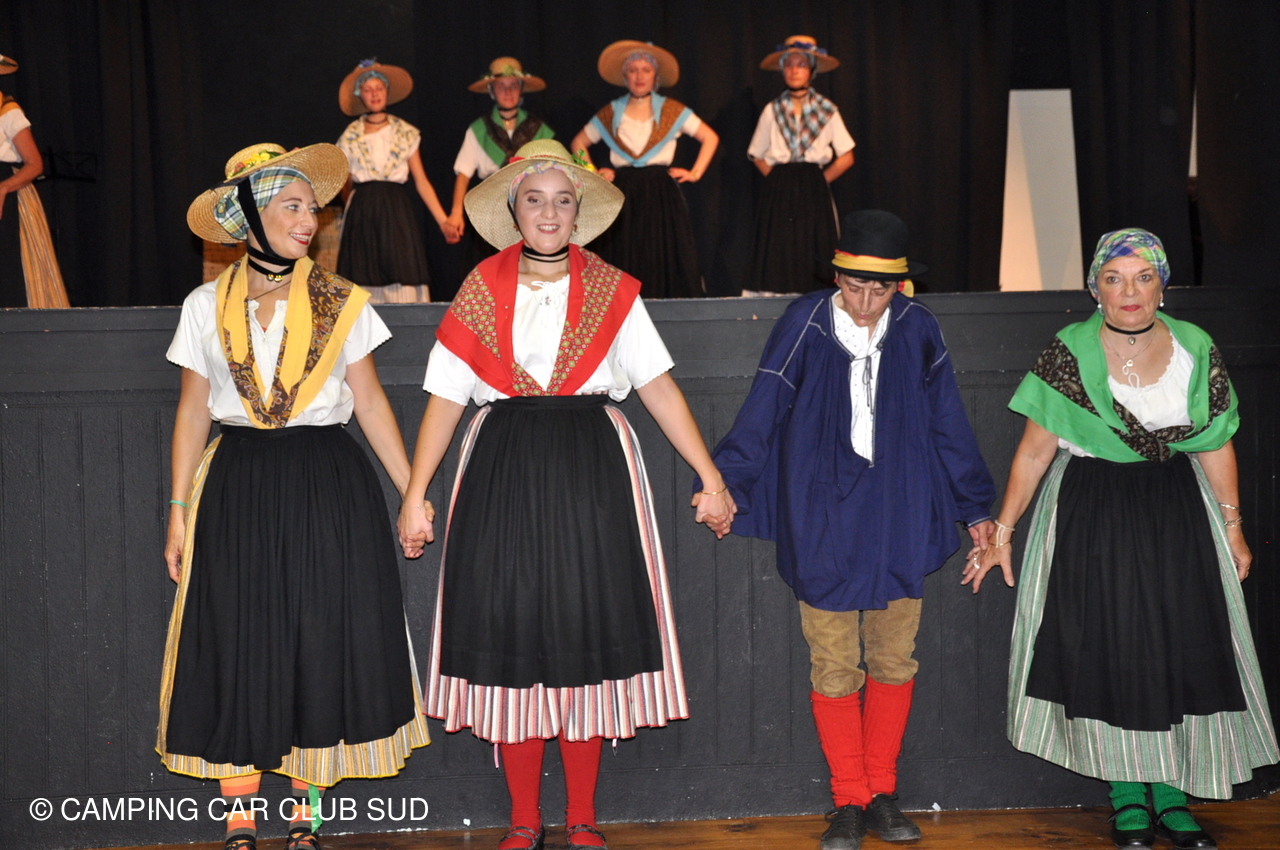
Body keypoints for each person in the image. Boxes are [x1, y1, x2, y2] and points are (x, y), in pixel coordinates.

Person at [396, 139, 735, 850]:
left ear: (579, 211)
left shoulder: (614, 290)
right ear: (513, 209)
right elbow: (445, 398)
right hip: (502, 467)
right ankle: (525, 817)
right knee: (511, 630)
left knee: (586, 628)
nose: (548, 213)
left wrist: (710, 475)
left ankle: (582, 817)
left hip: (593, 470)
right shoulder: (480, 288)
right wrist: (415, 493)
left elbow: (657, 387)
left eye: (561, 200)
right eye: (534, 199)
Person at [966, 229, 1278, 850]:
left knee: (1181, 645)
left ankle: (1172, 795)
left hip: (1177, 512)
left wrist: (1234, 528)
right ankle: (1128, 795)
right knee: (1106, 648)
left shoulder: (1194, 347)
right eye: (1114, 279)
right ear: (1095, 290)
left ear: (1163, 287)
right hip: (1091, 511)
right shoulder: (1069, 350)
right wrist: (1002, 531)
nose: (1129, 291)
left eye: (1142, 277)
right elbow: (1034, 451)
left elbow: (1216, 443)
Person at [160, 142, 430, 850]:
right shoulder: (203, 305)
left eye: (312, 208)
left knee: (319, 633)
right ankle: (240, 815)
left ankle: (307, 813)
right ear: (248, 217)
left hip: (324, 478)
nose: (309, 220)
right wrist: (178, 512)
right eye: (291, 206)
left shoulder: (341, 300)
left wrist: (413, 493)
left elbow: (370, 401)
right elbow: (192, 411)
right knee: (236, 632)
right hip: (237, 480)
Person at [707, 210, 995, 850]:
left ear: (901, 286)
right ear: (835, 277)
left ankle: (881, 793)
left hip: (901, 509)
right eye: (854, 286)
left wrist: (976, 506)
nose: (865, 303)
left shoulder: (918, 326)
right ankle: (848, 799)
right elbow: (763, 405)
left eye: (880, 289)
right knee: (833, 660)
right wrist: (725, 483)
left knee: (893, 655)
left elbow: (948, 419)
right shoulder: (805, 321)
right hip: (822, 513)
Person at [569, 40, 718, 298]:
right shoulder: (612, 112)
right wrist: (593, 172)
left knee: (662, 249)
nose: (639, 76)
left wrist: (694, 173)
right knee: (626, 249)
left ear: (655, 76)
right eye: (633, 70)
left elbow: (710, 137)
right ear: (625, 76)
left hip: (661, 193)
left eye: (646, 70)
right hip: (624, 191)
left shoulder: (672, 110)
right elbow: (578, 143)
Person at [746, 36, 855, 296]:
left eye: (801, 64)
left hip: (812, 184)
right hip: (780, 186)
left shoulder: (827, 110)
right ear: (783, 69)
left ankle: (816, 303)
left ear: (811, 70)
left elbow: (847, 156)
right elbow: (756, 154)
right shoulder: (773, 110)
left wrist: (818, 180)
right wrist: (778, 180)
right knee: (778, 246)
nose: (794, 70)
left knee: (813, 242)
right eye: (789, 64)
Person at [336, 59, 448, 303]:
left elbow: (421, 181)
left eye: (379, 88)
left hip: (396, 211)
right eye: (368, 89)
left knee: (401, 269)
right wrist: (351, 210)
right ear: (360, 95)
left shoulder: (405, 132)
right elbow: (345, 182)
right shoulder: (350, 136)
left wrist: (443, 221)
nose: (374, 94)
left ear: (387, 91)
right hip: (363, 211)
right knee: (363, 270)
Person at [447, 57, 555, 269]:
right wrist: (456, 213)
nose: (508, 92)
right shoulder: (479, 129)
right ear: (491, 91)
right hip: (491, 211)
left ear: (521, 89)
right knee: (493, 270)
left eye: (513, 85)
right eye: (501, 86)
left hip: (530, 208)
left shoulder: (538, 128)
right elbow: (463, 174)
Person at [0, 52, 70, 308]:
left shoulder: (8, 111)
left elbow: (35, 163)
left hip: (9, 198)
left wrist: (4, 187)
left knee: (10, 275)